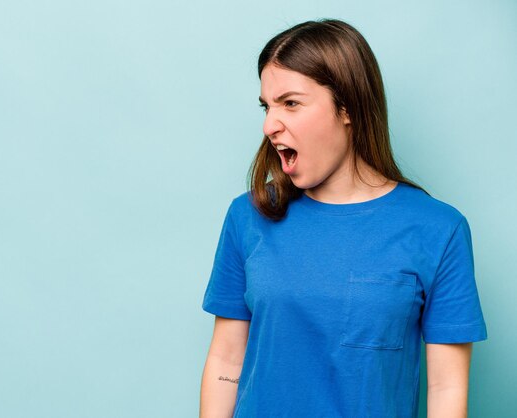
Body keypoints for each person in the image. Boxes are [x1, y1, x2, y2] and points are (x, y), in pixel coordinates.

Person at [199, 18, 488, 418]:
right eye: (267, 106)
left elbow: (447, 387)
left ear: (347, 107)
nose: (270, 125)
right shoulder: (246, 217)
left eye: (291, 103)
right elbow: (227, 362)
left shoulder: (439, 230)